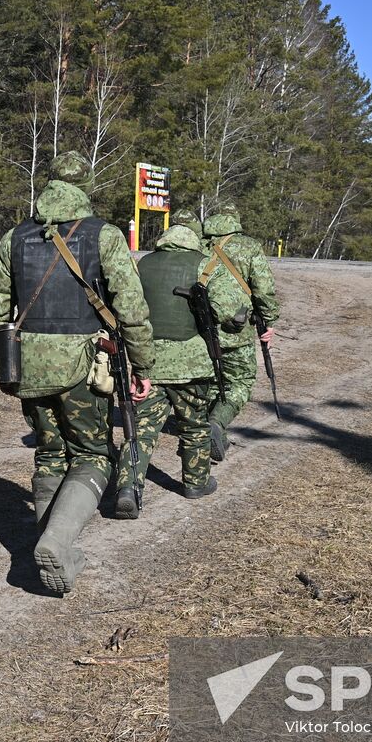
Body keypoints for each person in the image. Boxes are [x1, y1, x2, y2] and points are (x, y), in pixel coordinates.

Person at [0, 151, 154, 594]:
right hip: (83, 365)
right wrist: (142, 364)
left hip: (28, 365)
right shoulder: (104, 235)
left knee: (49, 453)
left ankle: (48, 545)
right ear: (86, 187)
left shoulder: (15, 237)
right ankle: (57, 542)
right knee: (93, 454)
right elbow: (131, 308)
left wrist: (6, 360)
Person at [115, 222, 249, 517]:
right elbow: (230, 310)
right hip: (192, 365)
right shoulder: (206, 265)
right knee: (195, 425)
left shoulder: (143, 264)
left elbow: (125, 308)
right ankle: (196, 483)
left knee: (141, 429)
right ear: (193, 242)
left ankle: (128, 488)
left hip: (149, 362)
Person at [202, 203, 280, 460]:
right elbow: (263, 289)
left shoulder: (199, 244)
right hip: (237, 330)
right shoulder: (249, 246)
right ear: (235, 220)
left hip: (201, 328)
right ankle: (217, 424)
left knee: (212, 382)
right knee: (241, 381)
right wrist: (269, 320)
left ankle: (213, 432)